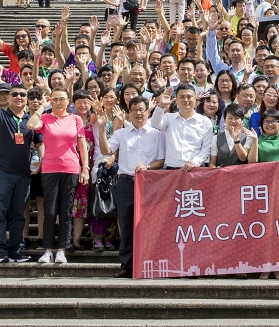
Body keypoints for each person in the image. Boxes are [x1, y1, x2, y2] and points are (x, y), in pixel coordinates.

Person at [96, 95, 165, 278]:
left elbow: (162, 160)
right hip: (126, 182)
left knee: (149, 223)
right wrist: (102, 128)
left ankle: (149, 262)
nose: (138, 113)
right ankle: (127, 265)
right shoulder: (121, 134)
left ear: (147, 111)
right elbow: (105, 151)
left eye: (141, 109)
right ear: (129, 112)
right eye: (134, 110)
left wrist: (148, 167)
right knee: (126, 224)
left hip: (150, 182)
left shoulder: (156, 134)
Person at [0, 59, 39, 264]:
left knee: (18, 215)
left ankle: (15, 250)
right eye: (14, 94)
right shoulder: (2, 116)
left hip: (23, 174)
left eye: (23, 94)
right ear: (8, 98)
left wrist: (39, 160)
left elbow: (39, 143)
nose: (19, 97)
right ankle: (0, 251)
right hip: (3, 173)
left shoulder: (30, 121)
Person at [31, 85, 89, 264]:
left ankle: (62, 249)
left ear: (68, 101)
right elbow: (31, 124)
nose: (58, 102)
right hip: (49, 168)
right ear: (50, 101)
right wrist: (42, 106)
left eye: (62, 99)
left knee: (66, 211)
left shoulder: (75, 119)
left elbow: (82, 146)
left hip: (71, 168)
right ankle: (48, 250)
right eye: (54, 99)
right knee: (49, 211)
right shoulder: (46, 118)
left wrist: (84, 168)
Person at [151, 83, 213, 170]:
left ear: (195, 99)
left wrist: (195, 162)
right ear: (176, 100)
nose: (186, 100)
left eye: (189, 96)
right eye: (182, 97)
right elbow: (155, 124)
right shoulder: (168, 117)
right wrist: (161, 106)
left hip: (195, 169)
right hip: (172, 170)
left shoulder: (205, 121)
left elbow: (206, 149)